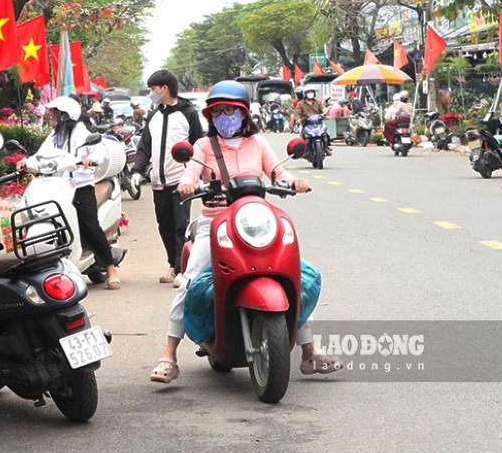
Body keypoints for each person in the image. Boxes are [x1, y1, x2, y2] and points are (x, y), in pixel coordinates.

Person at [149, 81, 340, 384]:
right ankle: (169, 354)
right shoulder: (203, 147)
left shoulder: (258, 144)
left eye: (231, 111)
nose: (225, 117)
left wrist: (294, 182)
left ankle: (309, 350)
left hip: (256, 221)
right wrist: (187, 184)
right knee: (190, 281)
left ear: (244, 114)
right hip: (215, 223)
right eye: (218, 112)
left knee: (296, 275)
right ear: (211, 117)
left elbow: (278, 171)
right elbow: (191, 174)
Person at [34, 96, 122, 288]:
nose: (51, 116)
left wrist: (91, 159)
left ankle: (110, 268)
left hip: (80, 187)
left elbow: (99, 151)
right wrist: (27, 162)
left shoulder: (82, 132)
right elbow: (40, 154)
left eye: (54, 112)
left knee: (90, 226)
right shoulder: (54, 135)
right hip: (57, 187)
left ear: (65, 115)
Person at [131, 70, 204, 286]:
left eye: (153, 89)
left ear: (165, 88)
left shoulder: (188, 113)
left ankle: (182, 269)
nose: (151, 93)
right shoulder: (153, 115)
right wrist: (137, 171)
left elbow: (199, 144)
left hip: (181, 180)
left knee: (181, 225)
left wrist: (196, 175)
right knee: (164, 225)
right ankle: (173, 263)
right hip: (158, 181)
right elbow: (145, 146)